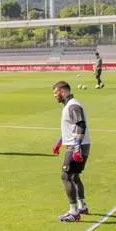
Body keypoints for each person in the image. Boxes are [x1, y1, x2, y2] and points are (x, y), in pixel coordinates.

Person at [51, 81, 91, 222]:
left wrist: (77, 146)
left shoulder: (73, 105)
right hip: (76, 144)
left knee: (66, 176)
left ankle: (74, 212)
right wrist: (59, 142)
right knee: (74, 177)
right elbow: (71, 127)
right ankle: (82, 206)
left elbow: (81, 124)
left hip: (76, 146)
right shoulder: (70, 105)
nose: (55, 96)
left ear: (62, 91)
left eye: (56, 93)